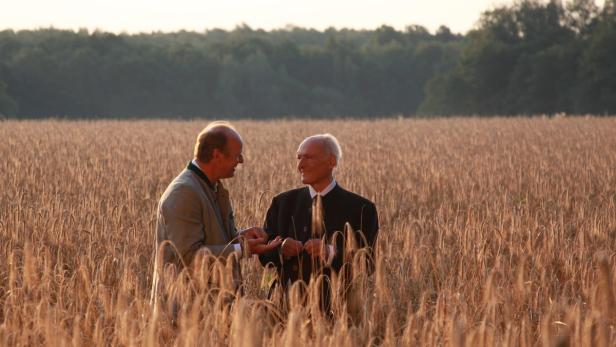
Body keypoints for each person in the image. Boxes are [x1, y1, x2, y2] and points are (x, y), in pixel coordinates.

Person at [151, 121, 282, 305]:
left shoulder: (212, 187)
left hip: (211, 309)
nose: (241, 161)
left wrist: (240, 238)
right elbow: (189, 257)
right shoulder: (184, 192)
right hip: (185, 314)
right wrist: (243, 249)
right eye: (237, 155)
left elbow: (211, 241)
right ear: (217, 155)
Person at [259, 134, 379, 310]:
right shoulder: (282, 203)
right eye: (299, 158)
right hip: (285, 310)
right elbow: (263, 255)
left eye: (308, 157)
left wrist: (330, 252)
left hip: (338, 311)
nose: (300, 165)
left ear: (331, 162)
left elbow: (368, 264)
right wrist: (281, 249)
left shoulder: (361, 208)